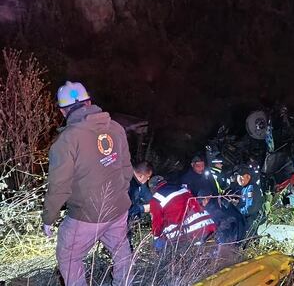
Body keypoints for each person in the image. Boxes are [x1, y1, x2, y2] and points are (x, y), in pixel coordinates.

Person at [41, 81, 134, 286]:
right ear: (89, 102)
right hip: (118, 209)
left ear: (63, 111)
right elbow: (127, 170)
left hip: (86, 215)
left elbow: (59, 187)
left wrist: (49, 218)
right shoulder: (116, 128)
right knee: (121, 251)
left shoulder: (66, 141)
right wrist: (119, 195)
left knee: (69, 257)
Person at [149, 176, 216, 251]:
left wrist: (156, 237)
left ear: (152, 188)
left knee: (158, 243)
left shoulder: (156, 199)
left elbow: (157, 223)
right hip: (207, 224)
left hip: (188, 233)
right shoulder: (183, 189)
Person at [127, 161, 153, 248]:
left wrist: (155, 203)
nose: (148, 179)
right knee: (124, 244)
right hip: (118, 222)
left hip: (128, 221)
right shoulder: (128, 185)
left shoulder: (138, 182)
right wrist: (143, 208)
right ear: (141, 176)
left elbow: (146, 193)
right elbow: (126, 210)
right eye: (148, 177)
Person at [235, 166, 264, 233]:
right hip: (248, 220)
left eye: (241, 176)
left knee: (250, 240)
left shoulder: (251, 188)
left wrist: (238, 210)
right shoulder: (244, 188)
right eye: (238, 176)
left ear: (248, 177)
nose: (239, 178)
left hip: (252, 221)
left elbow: (250, 208)